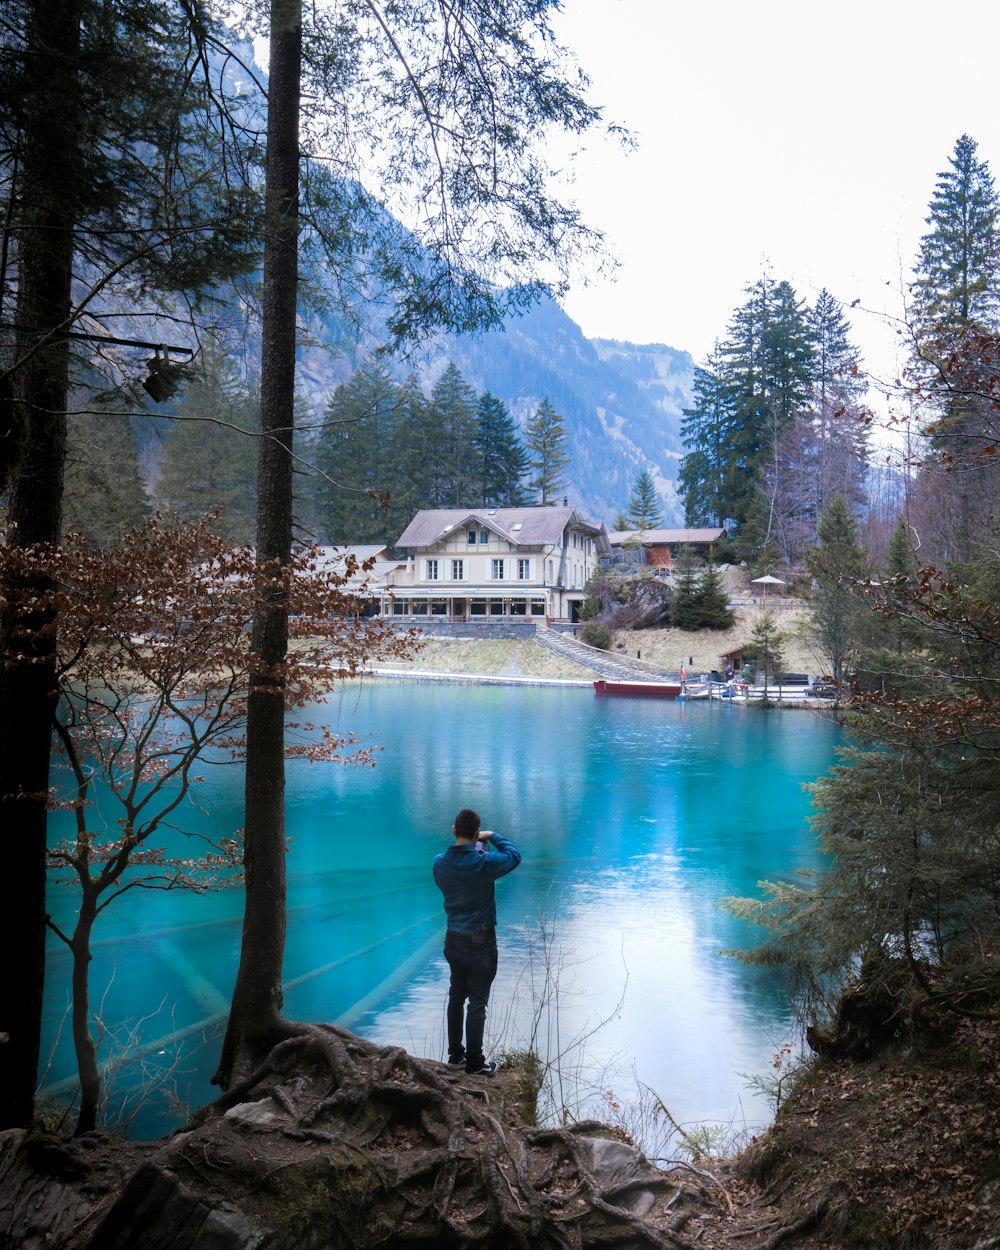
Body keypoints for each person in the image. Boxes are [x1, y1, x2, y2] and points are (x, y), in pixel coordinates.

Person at [432, 808, 521, 1076]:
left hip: (453, 938)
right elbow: (514, 856)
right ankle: (475, 1063)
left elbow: (460, 865)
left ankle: (455, 1057)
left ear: (453, 830)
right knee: (478, 1002)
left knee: (457, 994)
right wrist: (492, 835)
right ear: (476, 833)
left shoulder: (439, 862)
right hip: (480, 941)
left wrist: (476, 845)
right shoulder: (484, 864)